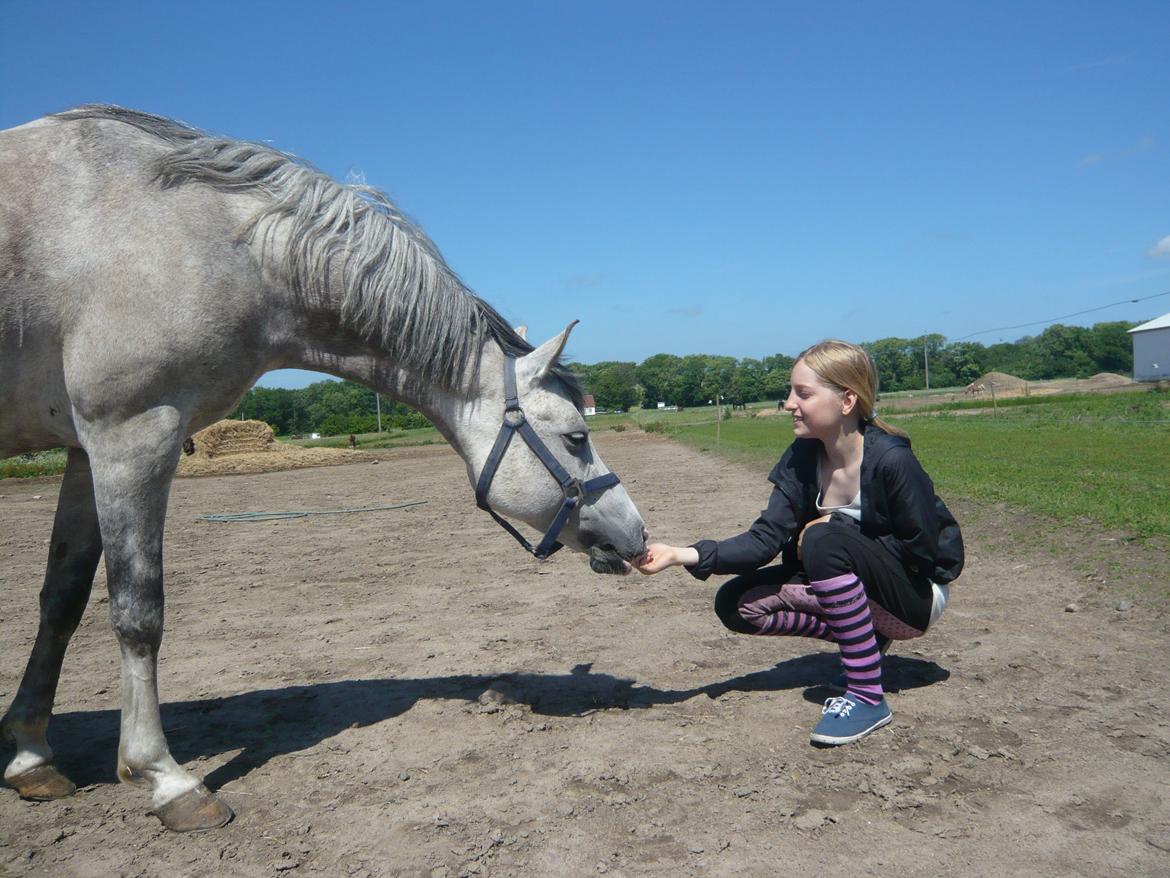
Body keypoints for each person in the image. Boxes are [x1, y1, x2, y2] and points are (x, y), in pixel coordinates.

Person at [634, 340, 963, 746]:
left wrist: (837, 529)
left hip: (914, 600)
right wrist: (680, 555)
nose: (789, 403)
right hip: (865, 595)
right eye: (791, 392)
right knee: (737, 604)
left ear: (846, 400)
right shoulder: (802, 457)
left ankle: (866, 696)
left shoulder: (892, 460)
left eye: (802, 393)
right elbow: (763, 541)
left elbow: (927, 556)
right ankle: (868, 640)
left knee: (824, 537)